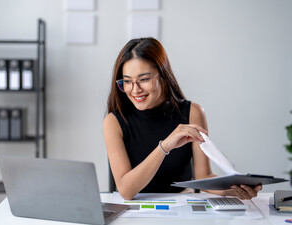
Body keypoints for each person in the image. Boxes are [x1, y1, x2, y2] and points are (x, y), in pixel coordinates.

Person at [103, 37, 262, 200]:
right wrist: (164, 146)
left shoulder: (193, 112)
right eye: (127, 82)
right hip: (136, 207)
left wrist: (233, 189)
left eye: (143, 79)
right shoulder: (114, 121)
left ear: (162, 75)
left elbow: (203, 176)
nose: (135, 90)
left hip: (182, 203)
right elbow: (126, 191)